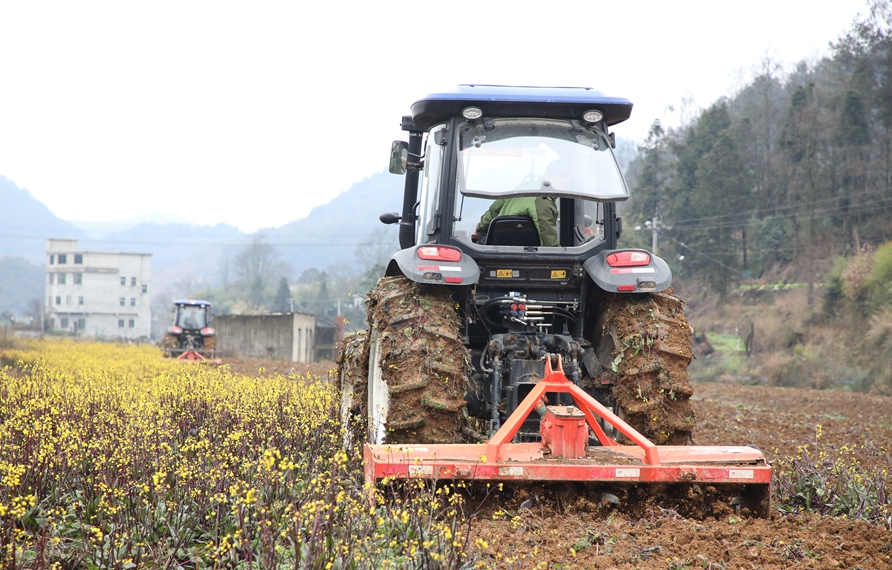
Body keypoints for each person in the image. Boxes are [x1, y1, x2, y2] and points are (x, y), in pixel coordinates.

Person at [475, 161, 567, 247]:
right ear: (546, 177)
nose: (561, 188)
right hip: (526, 256)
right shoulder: (543, 203)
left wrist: (481, 226)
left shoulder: (523, 188)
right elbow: (549, 242)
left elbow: (495, 209)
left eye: (565, 185)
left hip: (499, 249)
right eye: (559, 182)